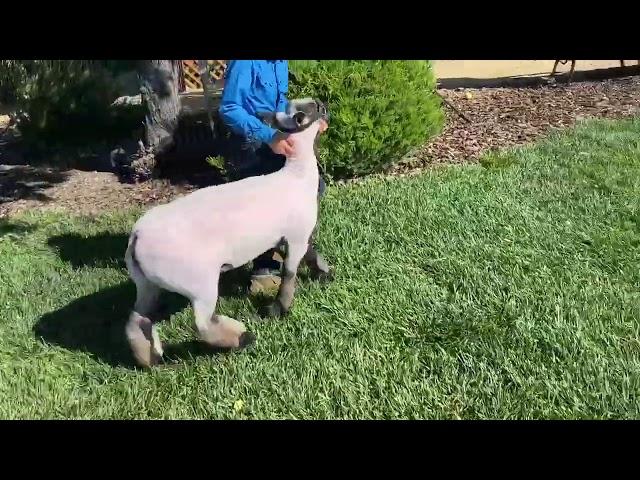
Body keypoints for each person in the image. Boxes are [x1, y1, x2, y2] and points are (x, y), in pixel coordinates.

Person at [218, 60, 328, 293]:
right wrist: (268, 136)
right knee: (264, 207)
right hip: (249, 145)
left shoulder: (279, 62)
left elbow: (279, 107)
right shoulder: (245, 63)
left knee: (314, 188)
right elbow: (229, 108)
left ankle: (300, 245)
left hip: (275, 137)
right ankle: (263, 270)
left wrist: (310, 121)